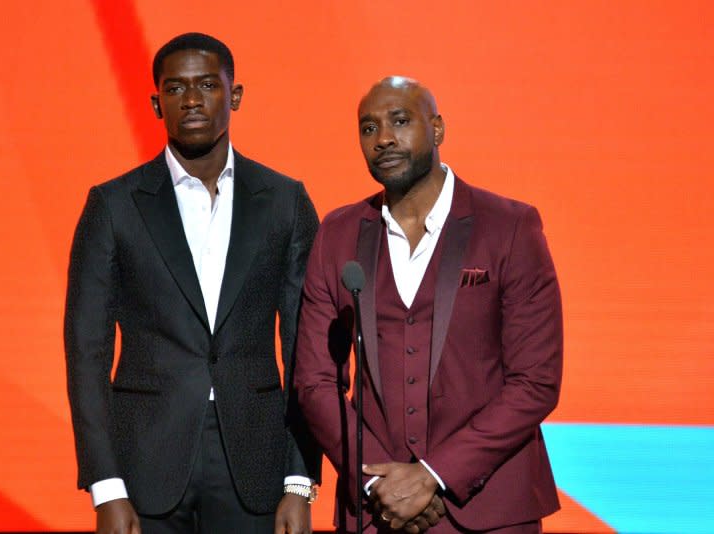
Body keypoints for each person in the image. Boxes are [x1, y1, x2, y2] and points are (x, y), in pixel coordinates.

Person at [65, 32, 320, 534]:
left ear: (235, 95)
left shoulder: (285, 201)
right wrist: (106, 486)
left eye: (207, 84)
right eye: (176, 89)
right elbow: (85, 352)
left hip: (256, 458)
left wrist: (299, 478)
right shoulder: (113, 205)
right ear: (157, 104)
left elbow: (305, 348)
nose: (193, 100)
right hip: (144, 461)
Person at [294, 76, 562, 533]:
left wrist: (434, 477)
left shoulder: (509, 226)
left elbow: (535, 381)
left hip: (491, 509)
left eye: (400, 121)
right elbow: (314, 382)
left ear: (437, 129)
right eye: (368, 127)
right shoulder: (337, 234)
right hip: (376, 510)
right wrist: (380, 482)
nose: (383, 139)